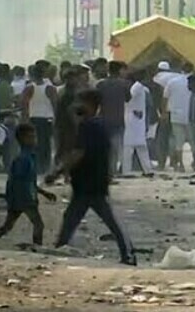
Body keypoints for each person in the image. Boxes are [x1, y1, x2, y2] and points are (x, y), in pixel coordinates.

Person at [46, 89, 137, 265]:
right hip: (92, 180)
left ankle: (128, 253)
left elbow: (78, 153)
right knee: (73, 216)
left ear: (89, 104)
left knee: (107, 219)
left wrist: (57, 172)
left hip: (89, 181)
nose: (76, 106)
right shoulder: (99, 125)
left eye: (79, 102)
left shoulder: (88, 126)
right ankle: (60, 246)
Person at [0, 123, 57, 245]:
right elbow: (17, 182)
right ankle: (37, 248)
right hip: (24, 199)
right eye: (31, 137)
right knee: (38, 225)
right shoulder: (23, 159)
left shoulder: (29, 157)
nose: (34, 140)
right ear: (22, 139)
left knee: (8, 226)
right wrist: (25, 199)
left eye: (34, 136)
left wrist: (44, 193)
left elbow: (29, 182)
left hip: (21, 199)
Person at [96, 61, 131, 176]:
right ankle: (115, 170)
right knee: (117, 147)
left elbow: (96, 100)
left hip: (103, 119)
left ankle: (107, 170)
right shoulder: (124, 84)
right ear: (119, 70)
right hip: (118, 119)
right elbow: (128, 98)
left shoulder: (100, 84)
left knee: (106, 147)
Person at [22, 64, 58, 175]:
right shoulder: (50, 88)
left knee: (35, 144)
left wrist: (25, 119)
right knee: (46, 144)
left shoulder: (29, 88)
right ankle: (45, 167)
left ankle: (36, 167)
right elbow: (55, 105)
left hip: (33, 118)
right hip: (47, 119)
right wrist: (56, 119)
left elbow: (24, 105)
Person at [162, 62, 194, 172]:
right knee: (193, 140)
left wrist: (164, 112)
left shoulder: (172, 81)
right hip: (191, 115)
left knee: (178, 141)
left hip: (175, 114)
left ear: (181, 69)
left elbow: (165, 97)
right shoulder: (194, 82)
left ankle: (180, 164)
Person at [122, 70, 154, 177]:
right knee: (139, 147)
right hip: (135, 120)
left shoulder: (137, 87)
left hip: (133, 120)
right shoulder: (138, 87)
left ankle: (127, 171)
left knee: (129, 147)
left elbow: (128, 100)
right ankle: (147, 170)